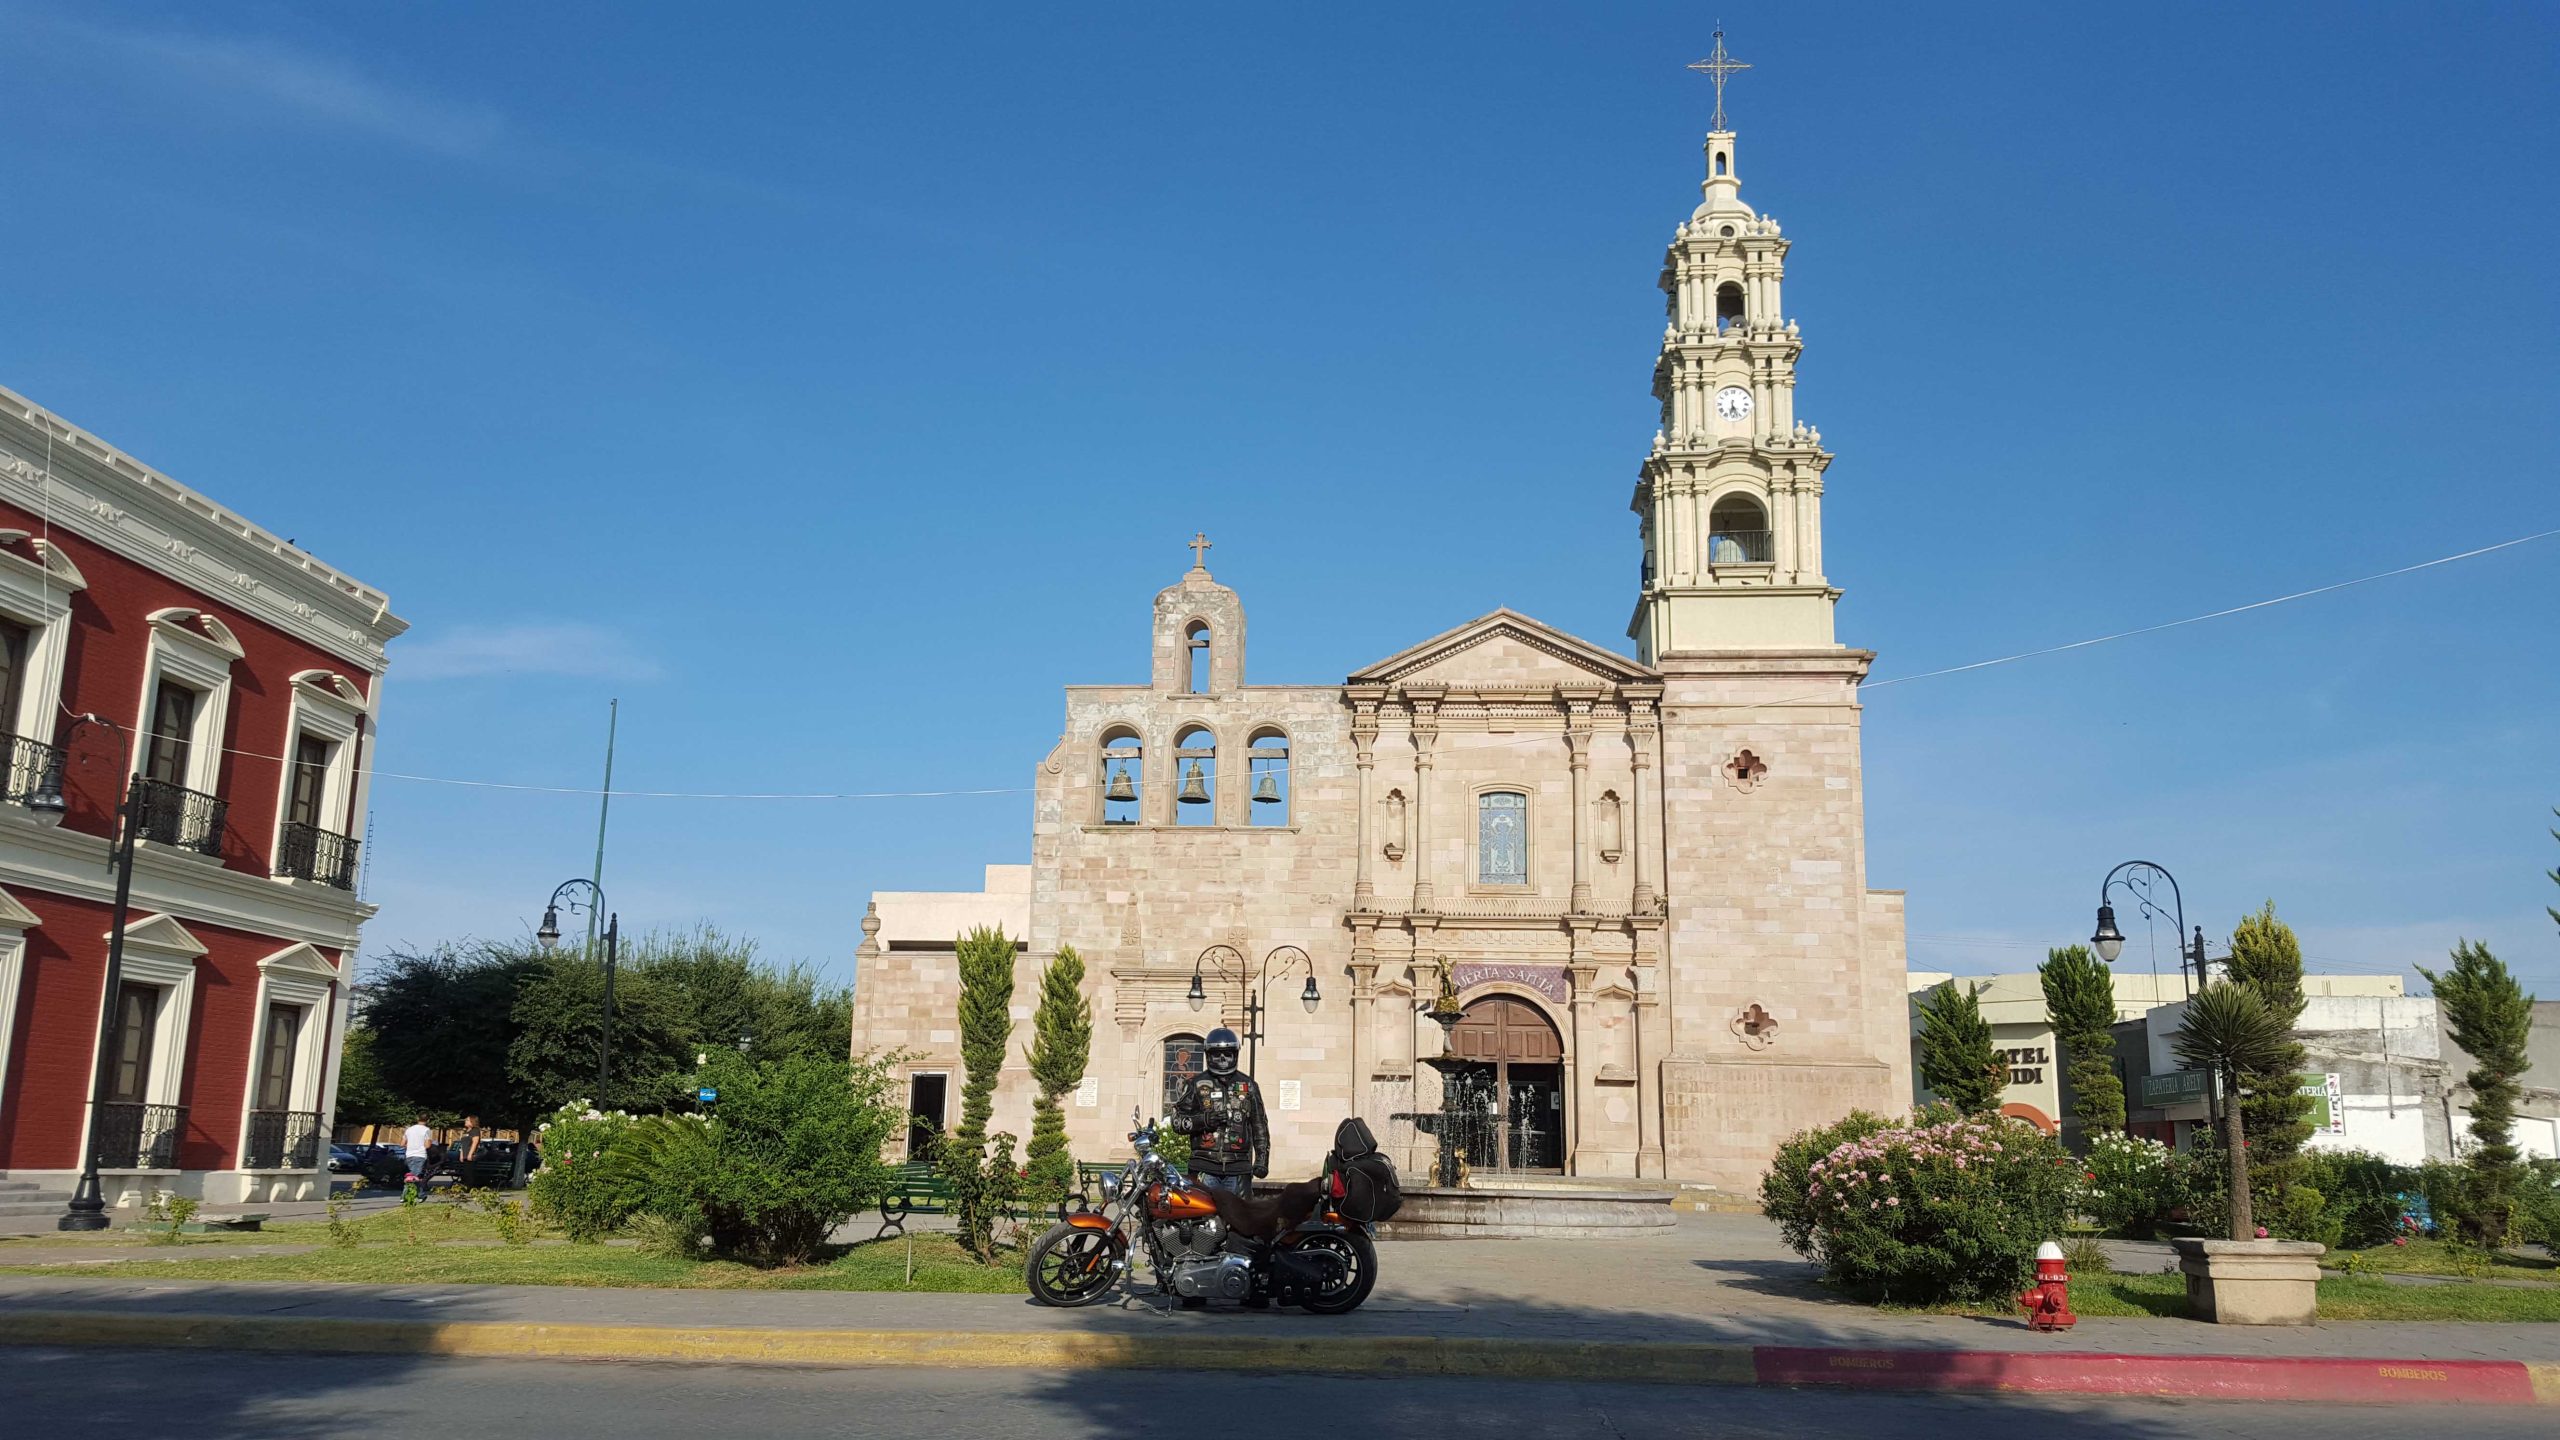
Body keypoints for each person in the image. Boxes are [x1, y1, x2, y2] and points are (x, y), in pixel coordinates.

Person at [401, 1113, 431, 1194]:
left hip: (409, 1155)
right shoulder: (426, 1130)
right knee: (414, 1177)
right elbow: (427, 1145)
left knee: (415, 1175)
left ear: (417, 1119)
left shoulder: (409, 1129)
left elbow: (402, 1144)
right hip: (420, 1155)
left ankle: (420, 1194)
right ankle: (405, 1194)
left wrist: (411, 1145)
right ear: (428, 1120)